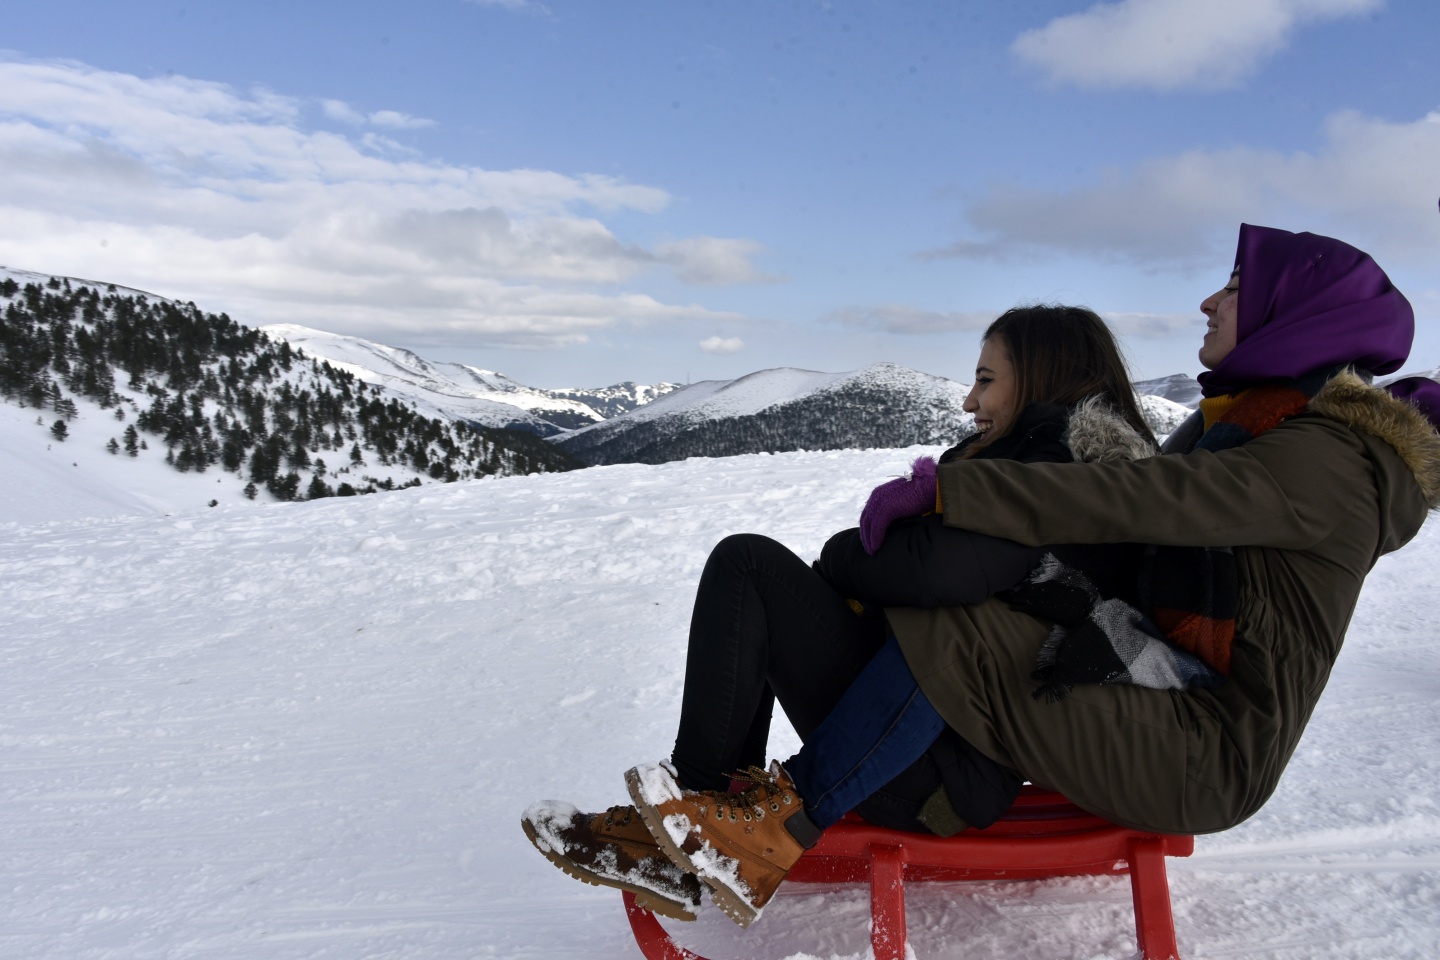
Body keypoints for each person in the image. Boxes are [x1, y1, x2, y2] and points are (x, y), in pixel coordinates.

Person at [522, 305, 1160, 925]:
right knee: (749, 569)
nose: (969, 401)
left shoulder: (1062, 481)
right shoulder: (1028, 468)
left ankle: (704, 837)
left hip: (934, 779)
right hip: (913, 735)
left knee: (751, 568)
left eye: (987, 380)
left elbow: (932, 574)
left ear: (1044, 379)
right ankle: (688, 826)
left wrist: (853, 552)